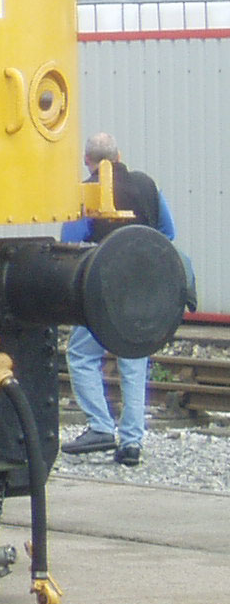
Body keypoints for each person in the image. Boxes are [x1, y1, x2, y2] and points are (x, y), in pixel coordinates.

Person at [61, 132, 176, 466]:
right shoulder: (149, 187)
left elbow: (71, 242)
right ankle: (131, 444)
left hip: (102, 290)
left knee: (81, 355)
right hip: (144, 290)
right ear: (119, 155)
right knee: (134, 361)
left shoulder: (86, 192)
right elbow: (168, 233)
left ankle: (99, 425)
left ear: (88, 160)